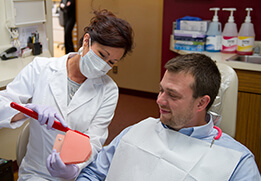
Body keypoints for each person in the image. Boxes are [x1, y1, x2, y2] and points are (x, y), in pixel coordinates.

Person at [76, 53, 261, 181]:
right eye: (161, 90)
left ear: (201, 103)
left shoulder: (237, 162)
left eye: (172, 95)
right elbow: (93, 174)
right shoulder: (136, 131)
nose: (159, 100)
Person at [0, 9, 133, 180]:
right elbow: (2, 104)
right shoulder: (41, 68)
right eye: (101, 55)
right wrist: (26, 110)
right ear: (86, 40)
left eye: (111, 62)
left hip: (75, 174)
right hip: (36, 173)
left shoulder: (109, 90)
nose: (103, 65)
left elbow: (94, 140)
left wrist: (75, 169)